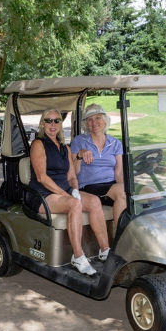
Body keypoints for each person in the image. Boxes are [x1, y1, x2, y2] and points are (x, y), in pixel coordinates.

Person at [26, 109, 110, 276]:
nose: (53, 124)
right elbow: (42, 177)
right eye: (48, 121)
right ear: (43, 123)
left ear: (60, 123)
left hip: (62, 192)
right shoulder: (38, 144)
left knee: (94, 201)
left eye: (56, 120)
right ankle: (78, 256)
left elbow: (71, 176)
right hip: (42, 195)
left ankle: (105, 250)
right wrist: (68, 195)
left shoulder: (64, 147)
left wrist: (75, 190)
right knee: (74, 204)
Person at [70, 103, 126, 231]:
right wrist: (79, 156)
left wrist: (127, 190)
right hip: (90, 186)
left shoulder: (115, 143)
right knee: (122, 192)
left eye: (98, 118)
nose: (94, 122)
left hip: (112, 186)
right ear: (86, 123)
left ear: (105, 120)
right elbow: (73, 172)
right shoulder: (79, 141)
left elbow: (119, 173)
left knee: (148, 193)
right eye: (90, 119)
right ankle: (121, 240)